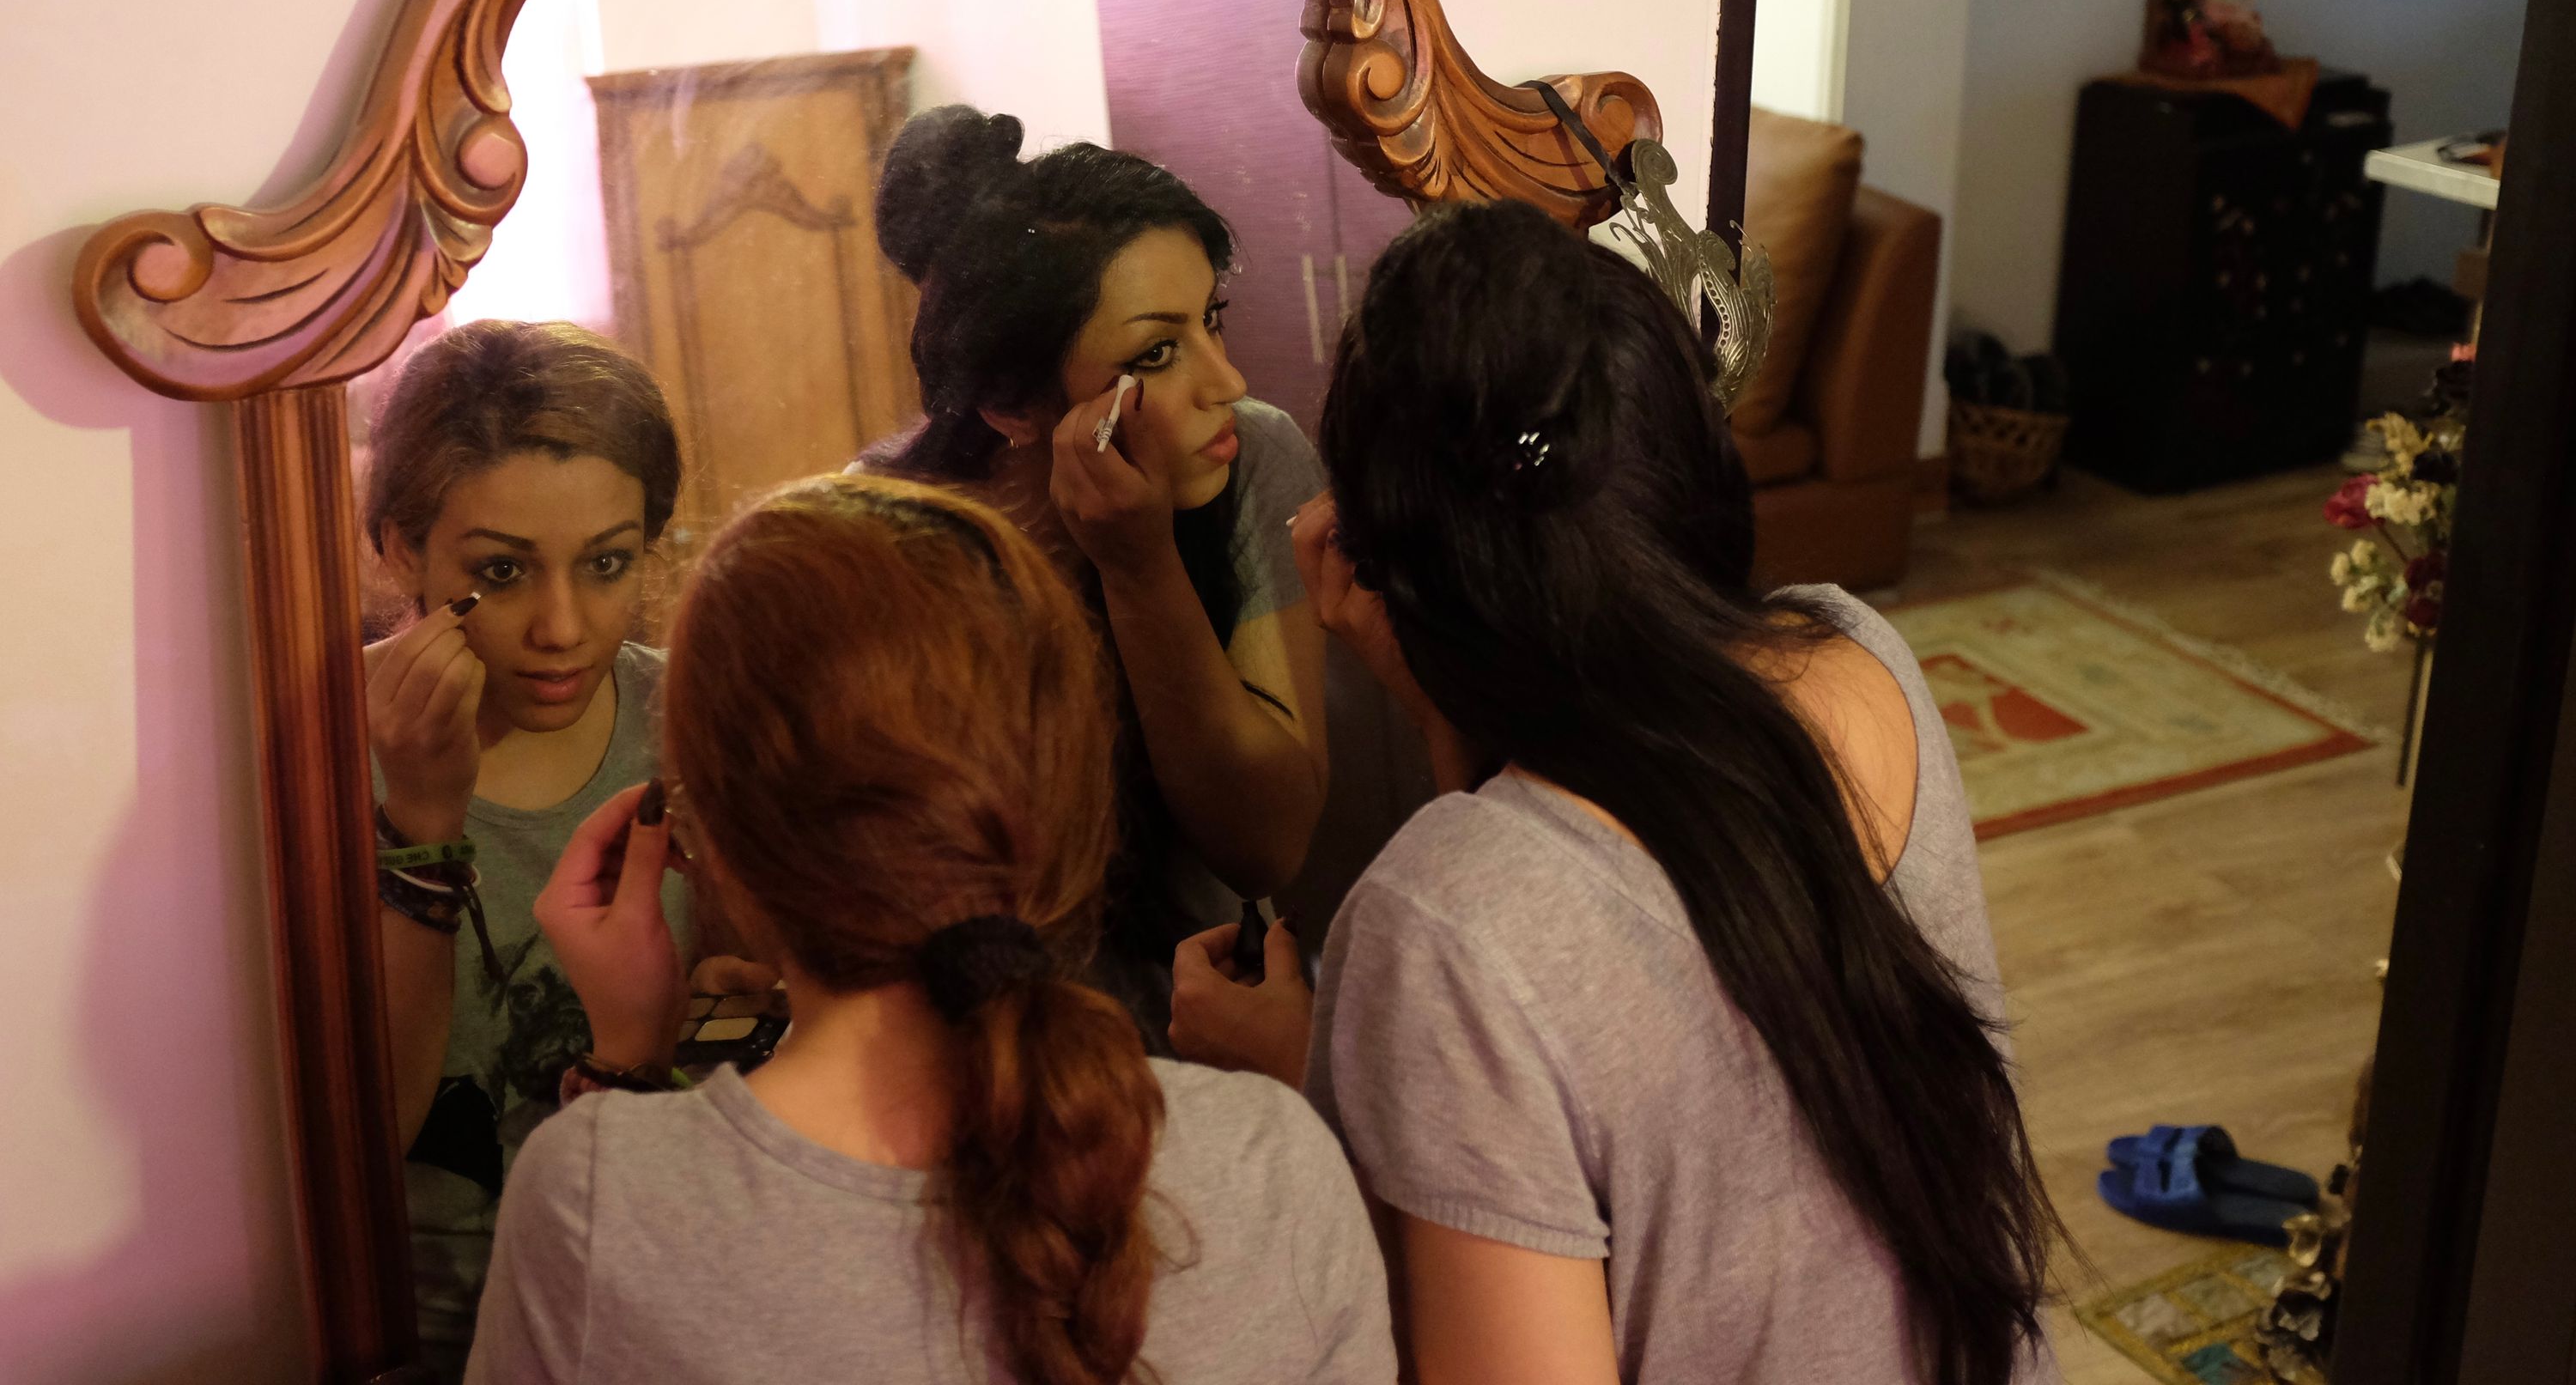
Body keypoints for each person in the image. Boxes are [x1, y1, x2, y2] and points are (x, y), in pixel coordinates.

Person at [1170, 202, 2063, 1385]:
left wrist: (1302, 1089)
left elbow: (1521, 912)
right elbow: (1564, 884)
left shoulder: (1440, 925)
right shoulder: (1857, 653)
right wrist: (1441, 688)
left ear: (1391, 562)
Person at [468, 474, 1394, 1385]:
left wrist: (625, 1059)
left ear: (705, 830)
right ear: (1072, 798)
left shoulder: (603, 1198)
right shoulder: (1273, 1163)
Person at [860, 105, 1341, 1037]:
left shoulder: (1254, 458)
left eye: (1213, 319)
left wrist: (1140, 564)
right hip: (981, 1044)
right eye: (1157, 352)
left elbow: (1264, 846)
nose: (1226, 380)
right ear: (1009, 406)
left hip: (1210, 1029)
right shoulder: (891, 535)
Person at [361, 319, 695, 1377]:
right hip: (417, 1328)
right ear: (402, 547)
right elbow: (364, 1136)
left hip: (649, 1300)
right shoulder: (307, 751)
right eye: (502, 572)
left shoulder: (693, 718)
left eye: (606, 562)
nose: (563, 626)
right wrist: (420, 816)